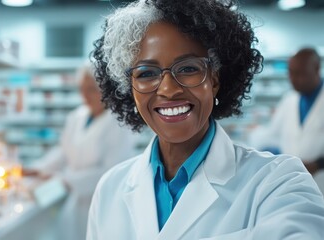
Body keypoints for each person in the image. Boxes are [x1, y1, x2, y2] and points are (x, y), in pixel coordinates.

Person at [86, 0, 324, 239]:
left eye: (188, 69)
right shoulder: (110, 188)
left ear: (215, 80)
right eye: (147, 73)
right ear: (131, 89)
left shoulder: (279, 182)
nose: (168, 90)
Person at [22, 64, 139, 240]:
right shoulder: (77, 116)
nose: (84, 95)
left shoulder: (119, 123)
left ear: (105, 89)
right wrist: (38, 169)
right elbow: (63, 152)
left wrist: (67, 180)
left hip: (102, 203)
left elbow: (114, 172)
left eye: (91, 89)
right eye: (82, 89)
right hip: (73, 201)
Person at [250, 48, 324, 193]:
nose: (293, 78)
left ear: (316, 69)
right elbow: (272, 135)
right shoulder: (288, 100)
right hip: (292, 184)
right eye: (290, 72)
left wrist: (317, 164)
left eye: (300, 73)